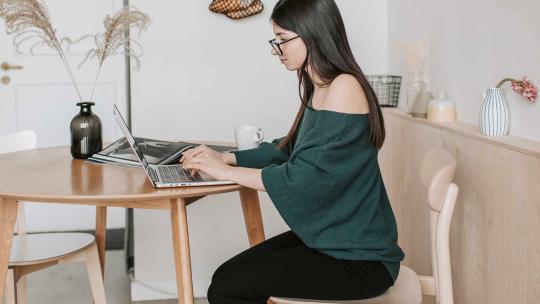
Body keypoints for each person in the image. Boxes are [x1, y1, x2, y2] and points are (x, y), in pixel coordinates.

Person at [180, 0, 405, 302]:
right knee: (223, 278)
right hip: (332, 241)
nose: (277, 50)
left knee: (226, 289)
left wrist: (223, 171)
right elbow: (289, 150)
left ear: (313, 33)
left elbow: (303, 180)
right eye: (276, 40)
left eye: (283, 40)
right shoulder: (321, 86)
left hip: (361, 260)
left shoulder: (345, 87)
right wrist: (228, 158)